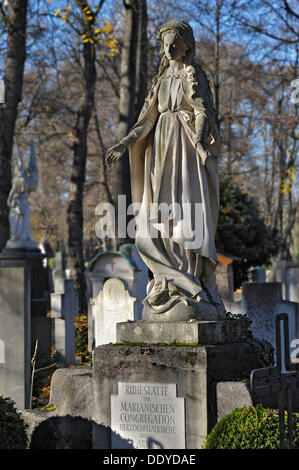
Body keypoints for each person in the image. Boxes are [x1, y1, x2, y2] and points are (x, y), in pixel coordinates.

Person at [106, 19, 225, 319]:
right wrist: (124, 143)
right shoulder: (160, 81)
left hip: (185, 149)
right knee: (160, 214)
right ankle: (168, 279)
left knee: (186, 210)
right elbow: (147, 121)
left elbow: (202, 112)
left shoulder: (193, 74)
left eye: (174, 43)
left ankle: (191, 277)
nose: (169, 48)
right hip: (160, 150)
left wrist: (198, 140)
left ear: (186, 45)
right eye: (165, 43)